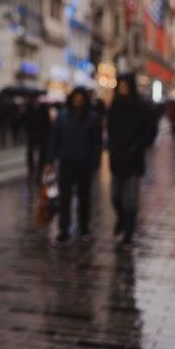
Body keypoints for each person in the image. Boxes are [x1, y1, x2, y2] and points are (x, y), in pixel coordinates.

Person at [107, 74, 157, 248]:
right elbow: (111, 129)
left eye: (125, 85)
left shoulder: (141, 107)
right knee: (115, 197)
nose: (123, 89)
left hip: (134, 160)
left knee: (131, 200)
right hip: (117, 158)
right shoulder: (114, 105)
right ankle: (121, 219)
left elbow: (150, 130)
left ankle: (128, 232)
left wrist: (139, 145)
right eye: (120, 86)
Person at [47, 87, 102, 243]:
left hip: (85, 163)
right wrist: (50, 160)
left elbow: (97, 143)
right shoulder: (63, 117)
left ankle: (84, 227)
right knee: (65, 197)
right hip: (67, 162)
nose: (78, 100)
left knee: (84, 198)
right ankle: (64, 229)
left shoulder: (92, 118)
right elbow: (54, 139)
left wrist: (95, 162)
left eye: (81, 98)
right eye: (75, 98)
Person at [25, 97, 51, 181]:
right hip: (32, 134)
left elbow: (47, 122)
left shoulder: (44, 109)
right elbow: (26, 120)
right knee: (30, 152)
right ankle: (31, 169)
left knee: (42, 153)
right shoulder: (29, 109)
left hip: (42, 135)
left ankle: (40, 169)